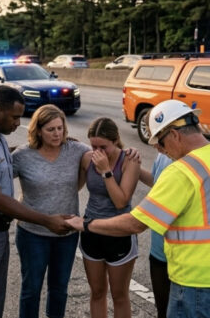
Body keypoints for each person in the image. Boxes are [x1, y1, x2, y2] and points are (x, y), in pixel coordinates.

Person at [66, 100, 210, 318]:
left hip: (201, 284)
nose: (160, 150)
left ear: (174, 134)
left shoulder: (183, 170)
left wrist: (85, 224)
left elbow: (135, 223)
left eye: (160, 142)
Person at [0, 86, 71, 318]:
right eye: (15, 117)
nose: (19, 123)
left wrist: (52, 143)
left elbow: (2, 160)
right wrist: (46, 220)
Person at [11, 104, 90, 318]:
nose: (57, 134)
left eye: (60, 128)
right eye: (50, 129)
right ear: (38, 130)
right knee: (31, 288)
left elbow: (106, 154)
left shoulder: (76, 150)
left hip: (66, 233)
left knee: (59, 289)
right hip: (32, 234)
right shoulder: (22, 155)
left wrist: (127, 153)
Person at [78, 117, 140, 318]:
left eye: (103, 146)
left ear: (115, 140)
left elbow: (121, 201)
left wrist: (106, 171)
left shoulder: (129, 160)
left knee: (119, 295)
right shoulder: (88, 158)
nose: (98, 151)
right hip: (92, 230)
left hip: (119, 233)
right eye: (93, 145)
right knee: (97, 292)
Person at [148, 151, 172, 318]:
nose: (155, 145)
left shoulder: (186, 165)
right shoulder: (163, 154)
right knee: (162, 310)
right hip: (158, 251)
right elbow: (155, 182)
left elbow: (136, 223)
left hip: (179, 258)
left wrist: (88, 225)